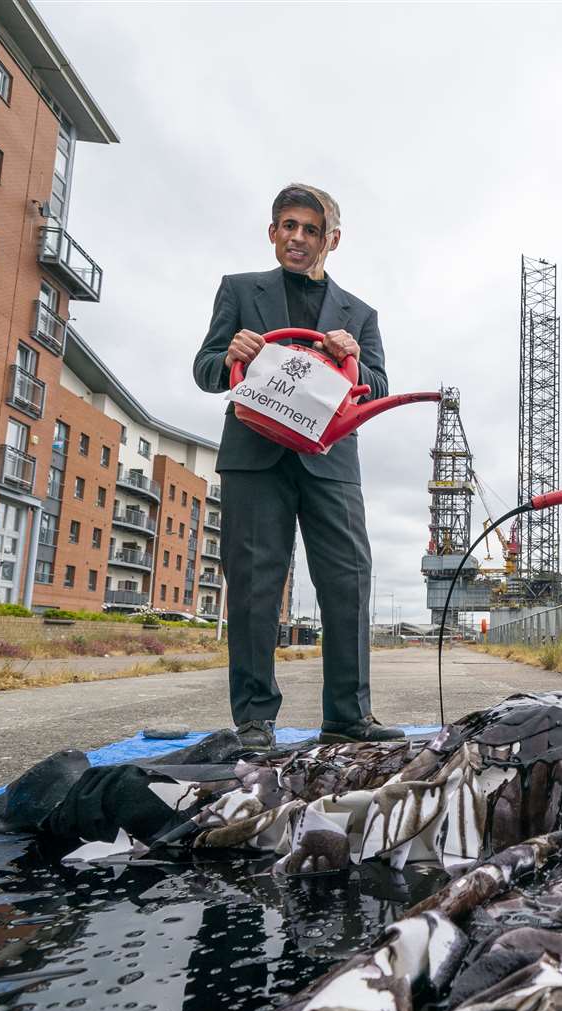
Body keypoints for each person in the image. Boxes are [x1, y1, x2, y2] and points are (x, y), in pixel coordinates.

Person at [194, 184, 403, 748]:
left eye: (311, 229)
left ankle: (349, 716)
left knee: (348, 583)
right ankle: (255, 720)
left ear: (332, 240)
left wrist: (350, 357)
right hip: (255, 459)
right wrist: (230, 356)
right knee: (255, 587)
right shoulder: (239, 291)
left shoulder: (359, 314)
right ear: (272, 232)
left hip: (330, 462)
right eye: (288, 226)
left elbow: (377, 388)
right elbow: (205, 367)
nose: (298, 238)